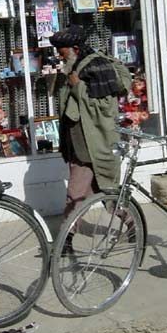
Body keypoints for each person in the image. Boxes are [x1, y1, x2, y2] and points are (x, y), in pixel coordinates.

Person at [49, 24, 130, 219]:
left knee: (77, 196)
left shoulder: (96, 66)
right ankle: (132, 223)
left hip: (91, 144)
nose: (60, 57)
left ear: (75, 49)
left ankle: (65, 243)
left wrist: (78, 87)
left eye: (62, 52)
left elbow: (104, 104)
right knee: (103, 193)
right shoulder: (74, 66)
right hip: (81, 142)